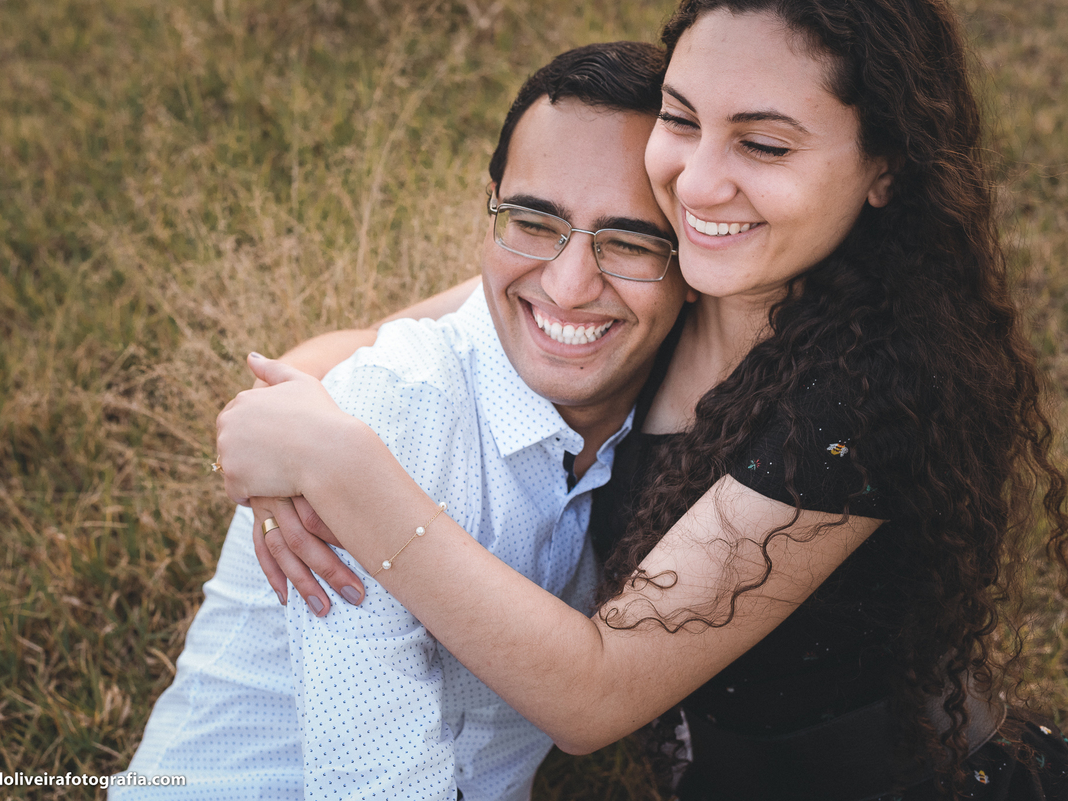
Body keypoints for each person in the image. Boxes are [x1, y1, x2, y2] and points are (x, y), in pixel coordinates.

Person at [217, 0, 1068, 798]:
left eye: (764, 146)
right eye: (682, 118)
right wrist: (280, 434)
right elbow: (364, 345)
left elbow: (595, 694)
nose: (695, 184)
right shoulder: (664, 276)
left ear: (885, 165)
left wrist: (347, 473)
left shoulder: (863, 396)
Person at [115, 42, 691, 800]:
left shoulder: (674, 416)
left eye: (628, 241)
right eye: (533, 220)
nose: (569, 284)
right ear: (491, 209)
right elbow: (377, 781)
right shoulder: (389, 414)